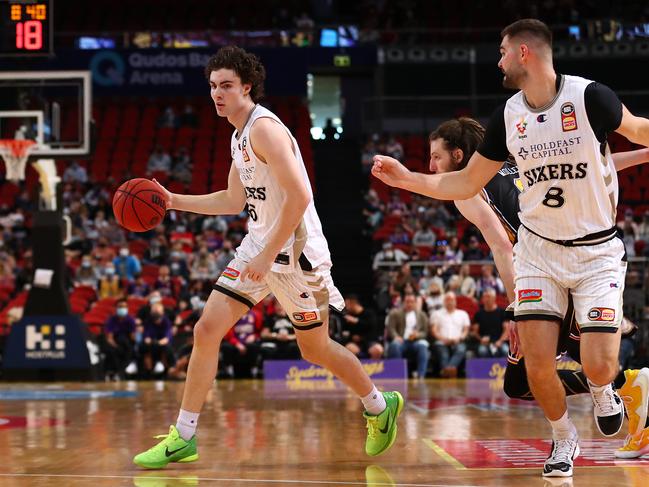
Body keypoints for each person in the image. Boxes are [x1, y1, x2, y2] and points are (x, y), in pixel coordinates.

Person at [372, 18, 649, 477]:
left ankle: (605, 389)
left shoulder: (590, 97)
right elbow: (463, 182)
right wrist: (407, 180)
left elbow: (635, 130)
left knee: (599, 365)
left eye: (502, 51)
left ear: (524, 53)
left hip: (596, 252)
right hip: (538, 254)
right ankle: (564, 439)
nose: (497, 60)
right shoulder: (507, 117)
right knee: (536, 367)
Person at [133, 46, 403, 469]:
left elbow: (300, 195)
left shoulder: (265, 130)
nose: (216, 94)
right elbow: (231, 199)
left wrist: (269, 253)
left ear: (246, 87)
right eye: (212, 86)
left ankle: (378, 404)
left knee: (315, 350)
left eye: (225, 86)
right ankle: (184, 435)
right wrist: (171, 201)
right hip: (260, 247)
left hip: (297, 256)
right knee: (207, 330)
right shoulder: (238, 135)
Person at [386, 293, 430, 379]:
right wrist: (396, 336)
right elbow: (391, 328)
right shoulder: (395, 313)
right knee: (395, 345)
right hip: (401, 340)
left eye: (412, 302)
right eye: (407, 302)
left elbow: (425, 332)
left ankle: (421, 375)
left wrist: (417, 335)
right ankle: (398, 374)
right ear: (403, 303)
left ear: (415, 303)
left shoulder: (422, 315)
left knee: (423, 347)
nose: (409, 304)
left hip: (415, 341)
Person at [430, 291, 471, 378]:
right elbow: (434, 330)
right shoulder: (437, 314)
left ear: (455, 301)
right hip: (442, 341)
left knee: (461, 349)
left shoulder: (463, 314)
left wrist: (460, 338)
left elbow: (466, 330)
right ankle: (450, 371)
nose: (450, 301)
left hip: (458, 341)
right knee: (443, 353)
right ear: (444, 301)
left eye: (452, 299)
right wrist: (443, 339)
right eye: (447, 299)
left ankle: (446, 371)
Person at [470, 288, 509, 357]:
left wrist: (500, 341)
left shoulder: (502, 312)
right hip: (484, 343)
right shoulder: (478, 314)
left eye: (488, 297)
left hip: (499, 341)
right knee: (482, 351)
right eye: (484, 297)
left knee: (505, 350)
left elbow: (506, 330)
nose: (486, 299)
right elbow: (475, 332)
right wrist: (481, 339)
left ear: (494, 298)